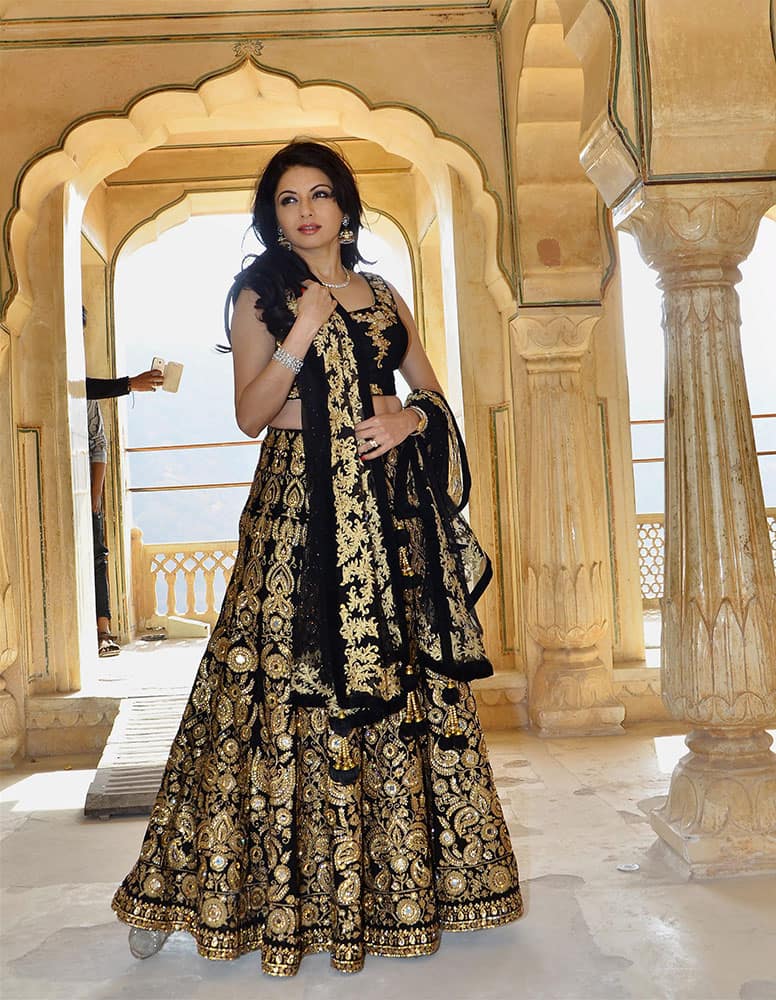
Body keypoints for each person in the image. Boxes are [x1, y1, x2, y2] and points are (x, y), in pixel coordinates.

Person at [112, 140, 522, 975]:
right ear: (273, 216)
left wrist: (411, 421)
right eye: (289, 199)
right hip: (299, 518)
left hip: (386, 517)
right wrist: (302, 330)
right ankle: (200, 889)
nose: (306, 211)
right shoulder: (263, 294)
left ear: (345, 208)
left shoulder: (384, 293)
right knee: (267, 684)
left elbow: (431, 391)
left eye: (321, 195)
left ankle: (404, 889)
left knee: (397, 681)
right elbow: (252, 412)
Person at [84, 349, 164, 656]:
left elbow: (98, 446)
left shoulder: (85, 391)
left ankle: (103, 632)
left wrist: (94, 500)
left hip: (84, 493)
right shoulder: (59, 377)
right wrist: (131, 383)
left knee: (97, 556)